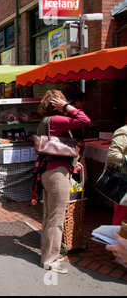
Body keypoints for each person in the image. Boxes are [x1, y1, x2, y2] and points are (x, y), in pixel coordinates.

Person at [33, 90, 90, 274]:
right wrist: (67, 107)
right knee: (56, 218)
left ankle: (46, 255)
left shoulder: (46, 121)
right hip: (57, 174)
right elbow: (84, 119)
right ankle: (51, 260)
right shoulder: (56, 120)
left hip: (50, 171)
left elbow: (57, 148)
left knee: (50, 216)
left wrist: (72, 164)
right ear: (57, 103)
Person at [104, 124, 127, 225]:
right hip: (125, 183)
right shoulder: (124, 131)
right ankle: (117, 240)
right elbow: (113, 154)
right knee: (121, 221)